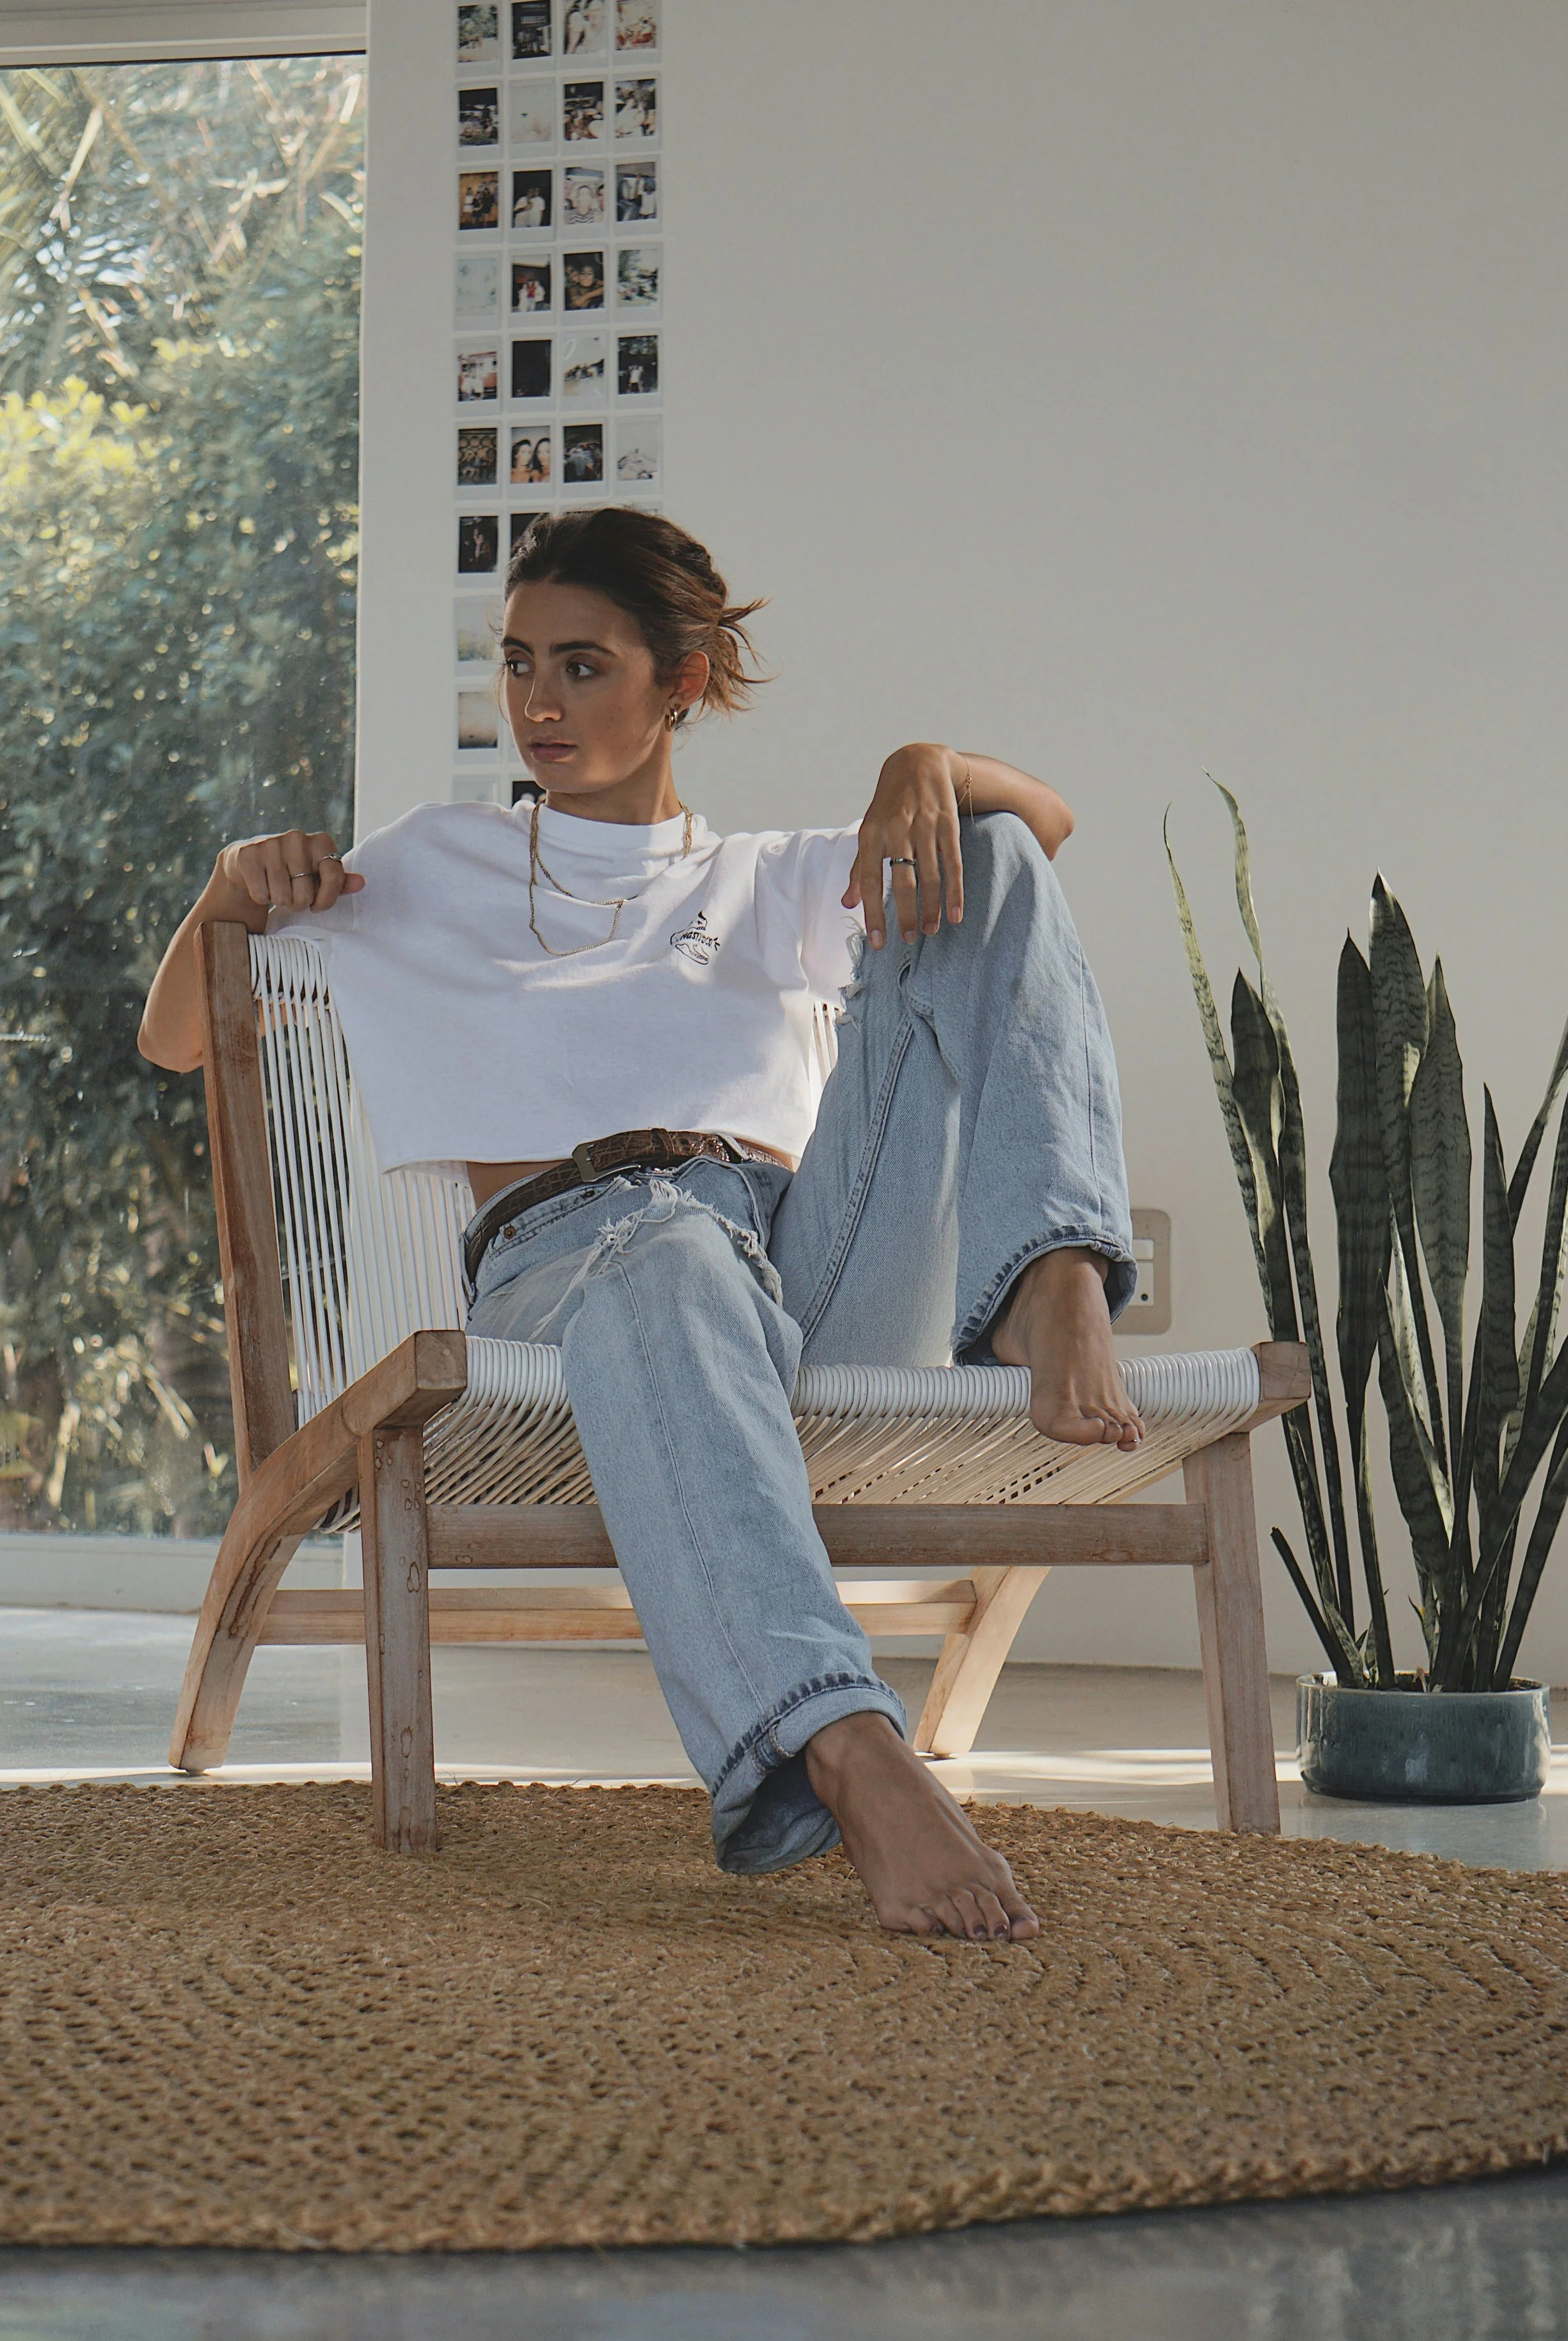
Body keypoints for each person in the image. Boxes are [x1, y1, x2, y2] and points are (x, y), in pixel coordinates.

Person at [139, 509, 1143, 1945]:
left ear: (679, 685)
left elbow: (1028, 846)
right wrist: (226, 890)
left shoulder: (768, 882)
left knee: (982, 857)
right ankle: (846, 1747)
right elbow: (176, 1037)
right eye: (519, 665)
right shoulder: (426, 866)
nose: (539, 704)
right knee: (662, 1242)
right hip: (571, 1265)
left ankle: (1052, 1272)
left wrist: (926, 766)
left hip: (802, 1264)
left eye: (584, 668)